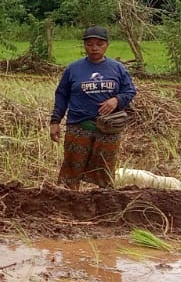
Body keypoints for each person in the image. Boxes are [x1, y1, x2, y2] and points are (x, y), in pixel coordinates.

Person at [49, 25, 137, 189]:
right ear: (84, 45)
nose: (94, 48)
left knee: (104, 171)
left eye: (99, 44)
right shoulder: (73, 69)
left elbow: (130, 90)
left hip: (108, 128)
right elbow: (61, 95)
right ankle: (67, 204)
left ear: (107, 45)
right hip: (79, 126)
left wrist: (116, 100)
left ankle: (102, 205)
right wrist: (55, 122)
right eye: (90, 44)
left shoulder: (117, 68)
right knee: (71, 170)